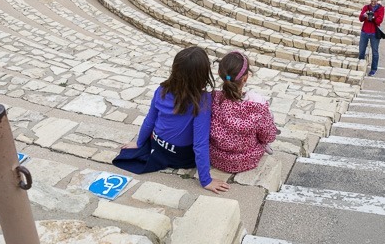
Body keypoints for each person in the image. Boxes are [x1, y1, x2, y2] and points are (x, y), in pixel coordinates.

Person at [113, 46, 229, 194]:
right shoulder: (203, 101)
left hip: (158, 146)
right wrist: (206, 180)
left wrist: (139, 143)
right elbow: (200, 143)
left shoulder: (161, 90)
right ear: (202, 75)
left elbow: (150, 120)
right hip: (181, 157)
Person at [209, 51, 279, 173]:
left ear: (220, 73)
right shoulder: (257, 105)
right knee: (268, 116)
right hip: (247, 159)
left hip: (216, 157)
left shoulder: (212, 99)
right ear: (246, 77)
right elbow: (269, 136)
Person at [358, 0, 385, 77]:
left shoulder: (381, 9)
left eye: (375, 1)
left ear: (378, 0)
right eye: (372, 1)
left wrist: (373, 17)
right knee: (361, 50)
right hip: (365, 31)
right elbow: (360, 19)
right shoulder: (366, 7)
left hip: (374, 32)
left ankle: (373, 69)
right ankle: (360, 66)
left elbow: (379, 21)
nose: (373, 3)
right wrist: (364, 15)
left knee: (375, 52)